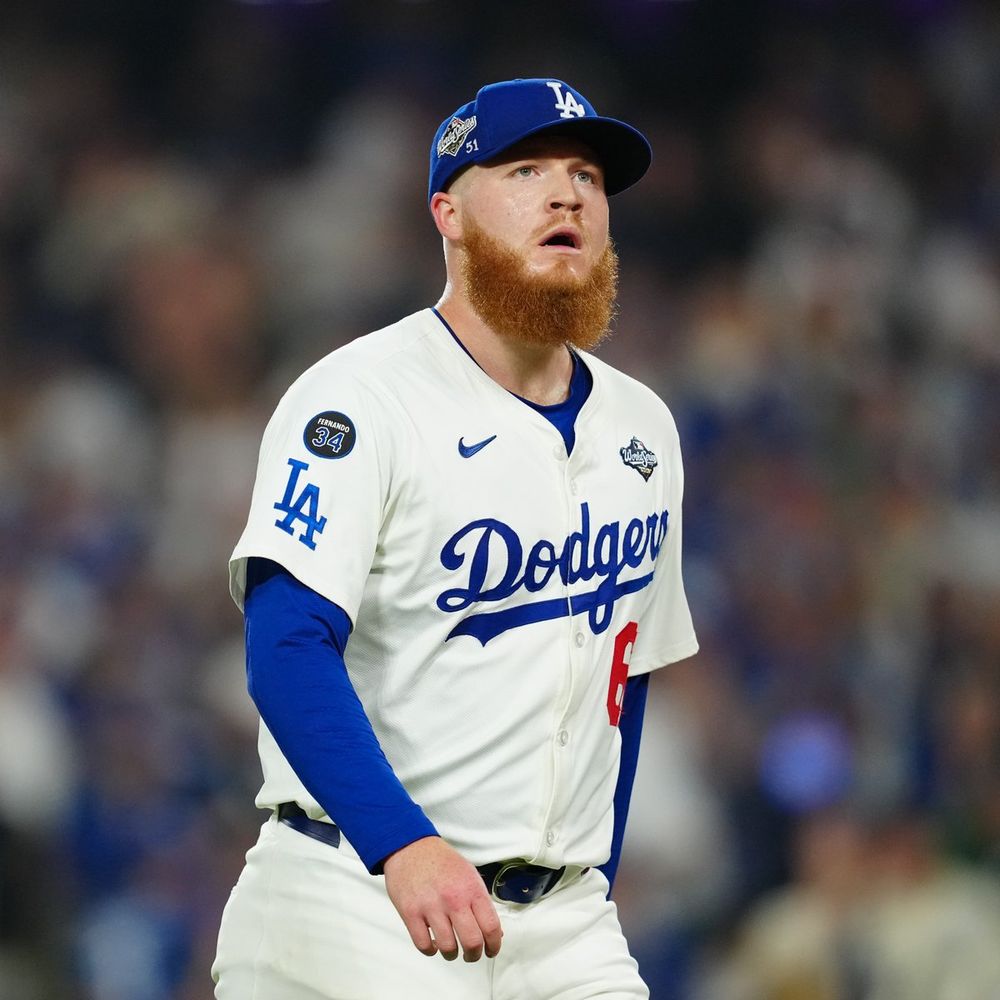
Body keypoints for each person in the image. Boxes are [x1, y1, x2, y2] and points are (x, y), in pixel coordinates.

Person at [212, 77, 698, 1000]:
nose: (568, 196)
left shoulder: (643, 426)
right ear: (449, 214)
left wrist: (593, 870)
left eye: (588, 177)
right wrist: (400, 842)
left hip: (563, 923)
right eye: (525, 170)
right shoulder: (360, 399)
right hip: (356, 890)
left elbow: (621, 681)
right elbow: (284, 647)